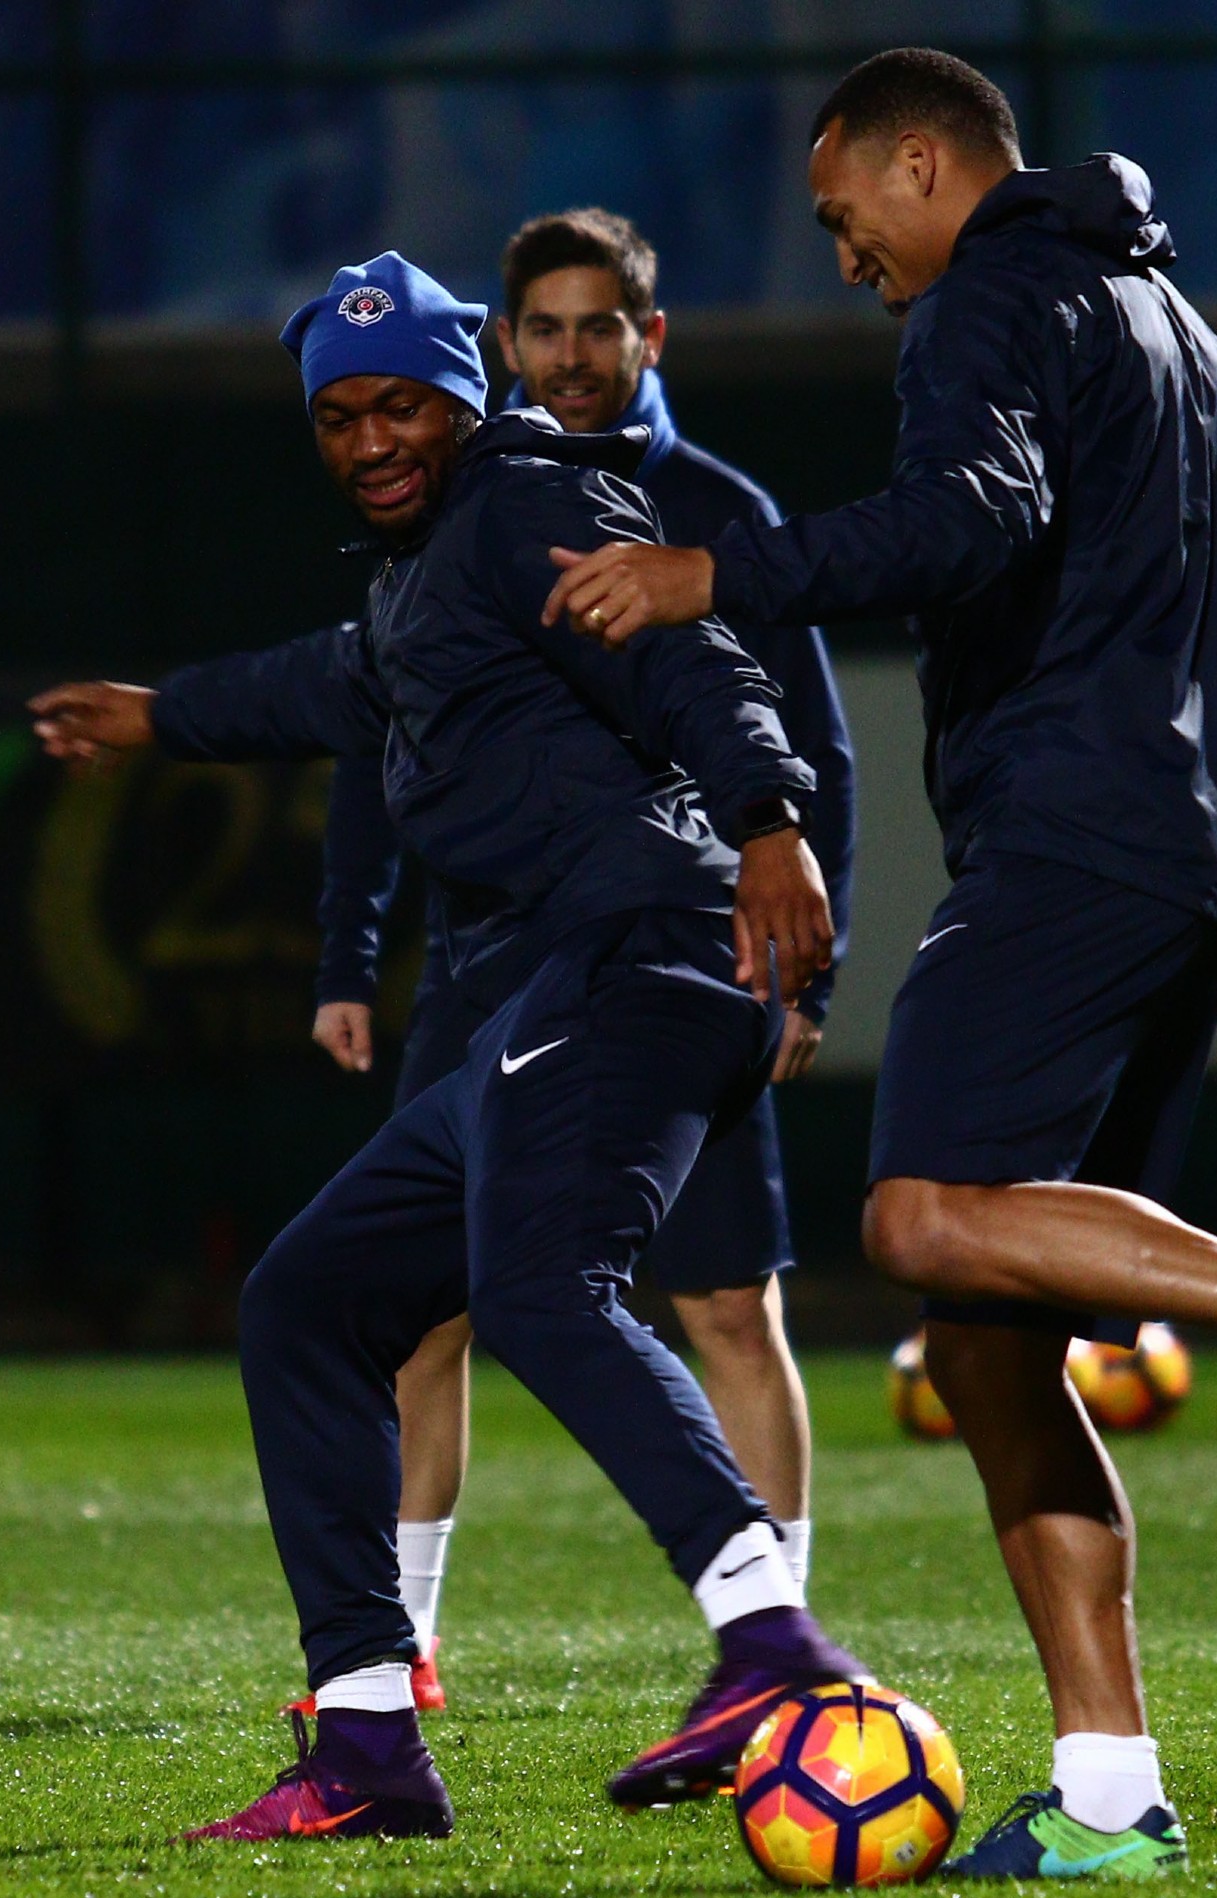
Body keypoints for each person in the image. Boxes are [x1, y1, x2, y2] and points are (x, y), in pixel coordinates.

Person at [544, 49, 1217, 1882]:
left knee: (916, 1221)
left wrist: (705, 575)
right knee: (989, 1354)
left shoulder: (987, 303)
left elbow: (965, 518)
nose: (843, 255)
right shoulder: (1176, 331)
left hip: (1068, 843)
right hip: (1181, 874)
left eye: (842, 214)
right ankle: (1111, 1802)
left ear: (920, 164)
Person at [30, 252, 867, 1841]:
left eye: (400, 404)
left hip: (638, 953)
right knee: (307, 1301)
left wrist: (771, 821)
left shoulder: (523, 500)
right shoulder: (425, 573)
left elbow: (690, 655)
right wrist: (165, 714)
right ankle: (365, 1734)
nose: (370, 440)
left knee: (548, 1291)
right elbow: (331, 682)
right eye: (339, 416)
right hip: (538, 997)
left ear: (464, 396)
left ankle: (772, 1640)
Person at [302, 212, 855, 1712]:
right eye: (541, 327)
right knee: (423, 1307)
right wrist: (352, 950)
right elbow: (379, 739)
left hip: (669, 950)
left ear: (646, 338)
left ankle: (776, 1646)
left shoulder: (710, 509)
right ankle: (405, 1645)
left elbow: (807, 743)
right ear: (503, 345)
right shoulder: (453, 509)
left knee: (724, 1302)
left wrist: (807, 965)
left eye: (595, 326)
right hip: (489, 969)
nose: (568, 352)